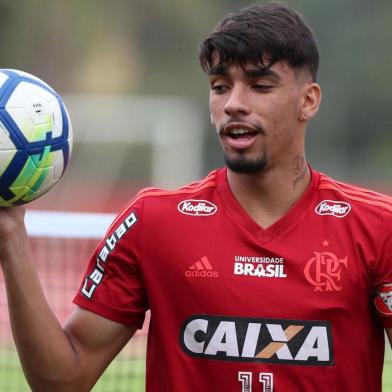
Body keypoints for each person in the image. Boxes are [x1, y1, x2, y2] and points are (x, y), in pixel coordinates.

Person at [0, 2, 391, 391]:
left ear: (309, 100)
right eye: (220, 86)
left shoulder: (379, 229)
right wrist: (12, 237)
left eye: (260, 86)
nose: (233, 103)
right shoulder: (152, 221)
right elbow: (61, 381)